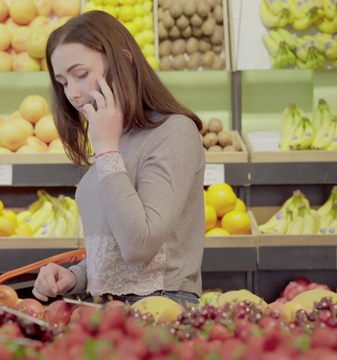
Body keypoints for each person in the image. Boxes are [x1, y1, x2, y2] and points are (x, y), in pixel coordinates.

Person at [31, 10, 206, 307]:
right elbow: (115, 253)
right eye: (62, 81)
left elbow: (139, 245)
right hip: (106, 309)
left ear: (123, 60)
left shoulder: (174, 132)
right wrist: (75, 277)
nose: (72, 93)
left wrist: (107, 150)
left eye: (81, 74)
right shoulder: (113, 138)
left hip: (159, 311)